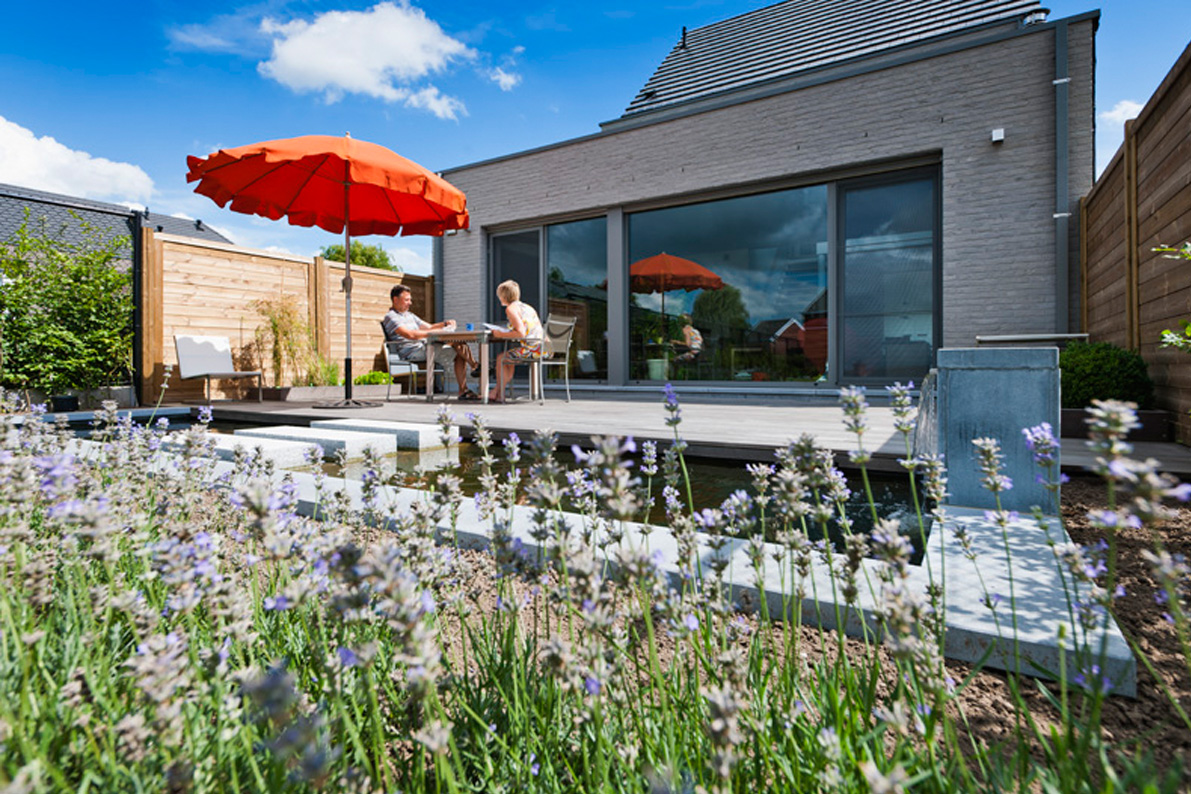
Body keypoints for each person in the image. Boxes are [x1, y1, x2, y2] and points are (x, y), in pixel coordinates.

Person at [382, 284, 481, 401]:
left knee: (460, 345)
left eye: (410, 299)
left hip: (425, 347)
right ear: (395, 299)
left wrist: (445, 324)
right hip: (412, 351)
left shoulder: (410, 315)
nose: (410, 303)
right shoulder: (391, 317)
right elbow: (410, 334)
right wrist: (434, 333)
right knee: (457, 346)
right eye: (407, 300)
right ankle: (475, 367)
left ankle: (467, 383)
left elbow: (429, 327)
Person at [487, 279, 544, 403]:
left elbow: (520, 333)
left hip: (534, 350)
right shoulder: (527, 307)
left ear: (503, 295)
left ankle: (499, 394)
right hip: (544, 348)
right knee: (508, 358)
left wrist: (499, 334)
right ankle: (496, 392)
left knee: (501, 358)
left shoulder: (511, 309)